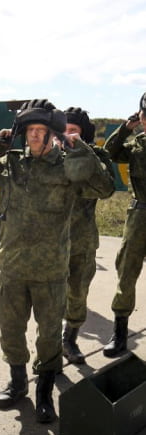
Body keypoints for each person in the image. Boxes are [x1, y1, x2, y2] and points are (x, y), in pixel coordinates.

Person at [0, 99, 114, 423]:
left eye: (41, 131)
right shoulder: (11, 164)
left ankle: (44, 392)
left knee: (48, 337)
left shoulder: (67, 168)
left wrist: (80, 149)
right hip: (13, 268)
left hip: (50, 272)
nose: (34, 137)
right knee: (11, 331)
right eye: (29, 130)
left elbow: (104, 188)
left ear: (52, 134)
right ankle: (17, 382)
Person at [62, 108, 115, 364]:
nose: (67, 135)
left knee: (77, 293)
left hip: (81, 241)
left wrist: (84, 156)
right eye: (64, 129)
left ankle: (69, 339)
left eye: (73, 131)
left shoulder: (96, 157)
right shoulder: (48, 156)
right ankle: (48, 353)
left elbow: (105, 189)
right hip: (49, 242)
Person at [102, 93, 146, 358]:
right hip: (139, 215)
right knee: (126, 272)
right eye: (145, 115)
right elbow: (109, 153)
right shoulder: (136, 144)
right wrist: (124, 129)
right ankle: (119, 334)